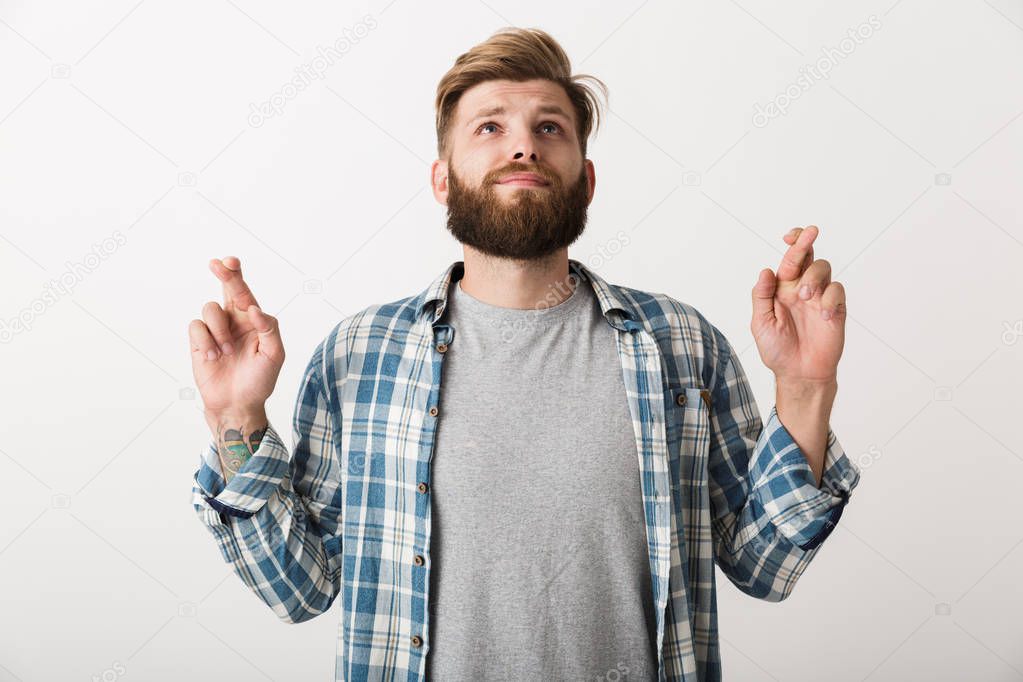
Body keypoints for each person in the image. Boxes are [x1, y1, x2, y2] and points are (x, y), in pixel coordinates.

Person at [188, 26, 860, 682]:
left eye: (549, 128)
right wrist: (235, 419)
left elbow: (763, 567)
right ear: (442, 180)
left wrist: (804, 387)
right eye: (489, 128)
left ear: (585, 179)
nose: (522, 148)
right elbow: (300, 589)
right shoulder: (358, 355)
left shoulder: (679, 344)